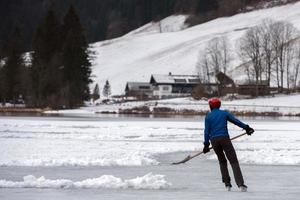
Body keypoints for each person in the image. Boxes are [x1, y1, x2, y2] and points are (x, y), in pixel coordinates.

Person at [203, 97, 254, 192]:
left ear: (211, 106)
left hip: (214, 141)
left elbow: (206, 132)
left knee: (222, 161)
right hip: (224, 139)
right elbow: (236, 121)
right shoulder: (224, 113)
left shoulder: (208, 116)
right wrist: (247, 128)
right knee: (233, 161)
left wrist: (206, 145)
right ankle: (240, 184)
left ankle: (227, 184)